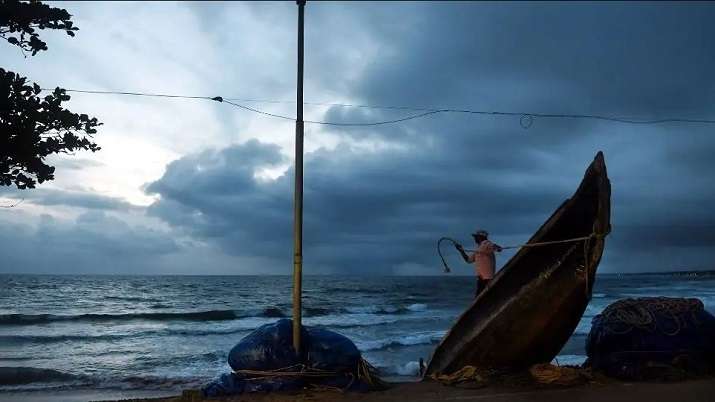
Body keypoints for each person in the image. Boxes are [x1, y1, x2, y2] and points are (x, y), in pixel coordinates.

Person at [455, 229, 502, 297]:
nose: (474, 238)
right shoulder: (479, 248)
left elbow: (497, 248)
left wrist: (497, 248)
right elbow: (468, 260)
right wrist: (461, 250)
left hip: (487, 279)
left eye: (476, 237)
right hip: (481, 278)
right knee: (480, 297)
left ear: (480, 237)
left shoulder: (486, 243)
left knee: (480, 297)